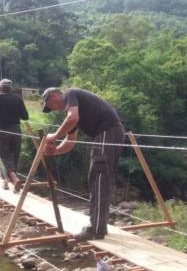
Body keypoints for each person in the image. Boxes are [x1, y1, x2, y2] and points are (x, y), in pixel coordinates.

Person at [41, 87, 124, 241]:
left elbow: (72, 118)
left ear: (53, 97)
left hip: (107, 132)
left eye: (50, 107)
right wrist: (55, 151)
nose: (54, 110)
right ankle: (98, 226)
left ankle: (96, 229)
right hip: (108, 133)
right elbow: (70, 142)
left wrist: (53, 136)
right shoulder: (72, 111)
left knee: (98, 177)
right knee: (99, 178)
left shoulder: (70, 95)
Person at [0, 79, 29, 192]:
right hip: (17, 131)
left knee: (5, 156)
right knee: (14, 156)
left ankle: (15, 179)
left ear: (1, 88)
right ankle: (6, 182)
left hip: (4, 130)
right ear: (11, 88)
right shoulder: (18, 99)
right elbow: (25, 117)